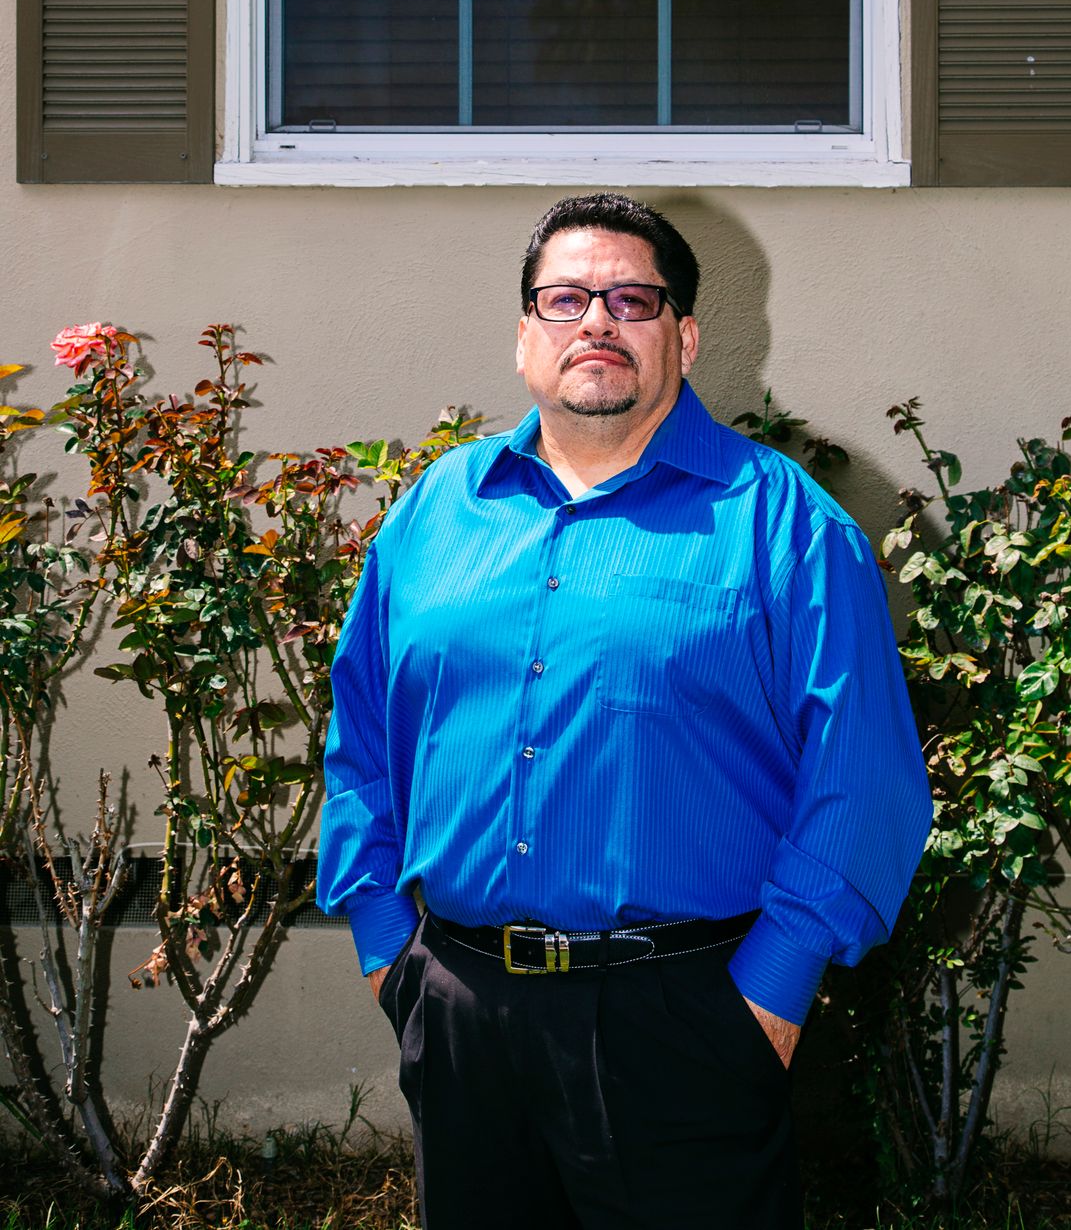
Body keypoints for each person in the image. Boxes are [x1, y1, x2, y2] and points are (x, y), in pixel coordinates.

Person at [317, 192, 932, 1230]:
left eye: (631, 299)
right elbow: (360, 740)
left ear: (684, 337)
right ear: (525, 339)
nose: (595, 321)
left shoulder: (785, 525)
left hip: (689, 1018)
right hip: (462, 1006)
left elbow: (862, 777)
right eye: (564, 299)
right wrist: (386, 943)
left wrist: (771, 996)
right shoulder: (435, 514)